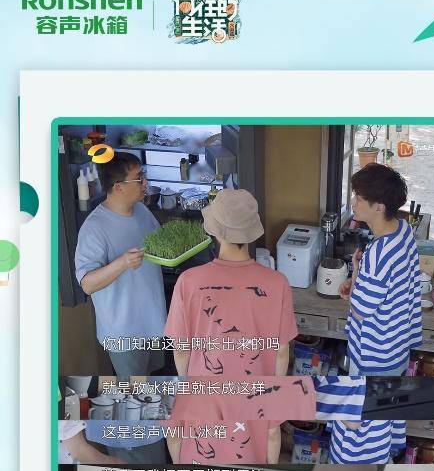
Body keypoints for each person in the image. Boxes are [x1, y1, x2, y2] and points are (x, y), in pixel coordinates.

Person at [165, 189, 298, 379]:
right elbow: (282, 352)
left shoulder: (188, 281)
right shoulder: (278, 283)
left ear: (215, 231)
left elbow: (181, 349)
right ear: (252, 232)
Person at [74, 152, 167, 378]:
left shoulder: (142, 210)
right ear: (118, 187)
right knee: (134, 391)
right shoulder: (94, 228)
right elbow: (87, 284)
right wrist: (123, 263)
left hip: (153, 321)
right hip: (124, 332)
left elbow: (160, 244)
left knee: (152, 381)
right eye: (139, 178)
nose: (145, 183)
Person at [340, 164, 422, 375]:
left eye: (359, 198)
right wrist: (360, 278)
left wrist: (355, 273)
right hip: (396, 347)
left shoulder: (378, 253)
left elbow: (360, 312)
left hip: (373, 358)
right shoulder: (403, 229)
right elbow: (393, 283)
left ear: (379, 207)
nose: (353, 202)